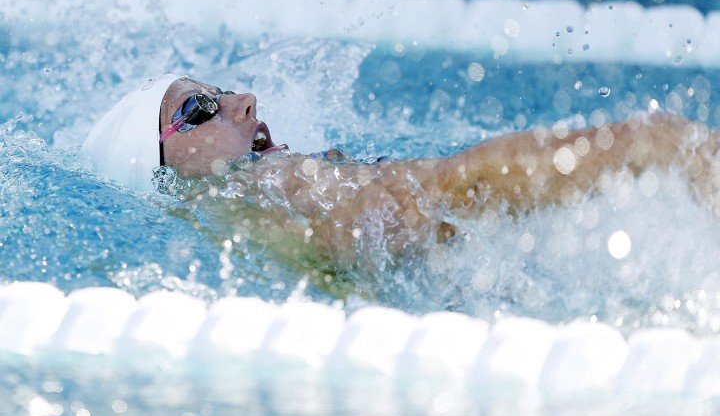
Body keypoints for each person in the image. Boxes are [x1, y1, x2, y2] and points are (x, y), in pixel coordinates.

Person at [83, 74, 720, 271]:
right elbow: (432, 194)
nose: (243, 101)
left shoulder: (255, 197)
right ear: (161, 162)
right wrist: (646, 142)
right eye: (199, 108)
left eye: (220, 89)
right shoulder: (253, 191)